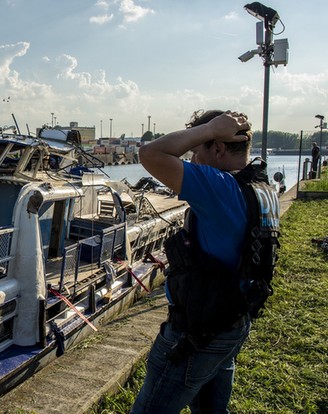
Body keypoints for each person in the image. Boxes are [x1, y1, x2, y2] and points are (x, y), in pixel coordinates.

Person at [131, 110, 265, 414]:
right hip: (232, 322)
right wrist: (209, 131)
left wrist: (209, 128)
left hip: (196, 333)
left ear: (217, 147)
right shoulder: (259, 186)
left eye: (197, 150)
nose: (191, 159)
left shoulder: (219, 187)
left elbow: (150, 153)